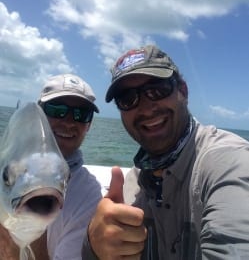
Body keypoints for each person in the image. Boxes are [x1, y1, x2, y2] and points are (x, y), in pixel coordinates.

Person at [82, 44, 249, 260]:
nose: (145, 108)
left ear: (183, 91)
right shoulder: (132, 186)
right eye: (127, 98)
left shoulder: (227, 162)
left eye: (157, 89)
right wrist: (93, 245)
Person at [0, 73, 102, 260]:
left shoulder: (89, 194)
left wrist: (23, 244)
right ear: (40, 112)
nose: (70, 122)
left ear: (89, 125)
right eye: (57, 109)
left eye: (81, 114)